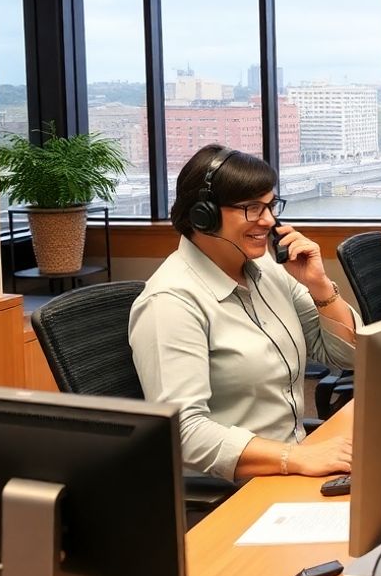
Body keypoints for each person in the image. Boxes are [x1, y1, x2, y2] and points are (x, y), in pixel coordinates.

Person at [130, 145, 359, 481]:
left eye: (270, 205)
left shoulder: (268, 268)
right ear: (202, 215)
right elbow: (184, 432)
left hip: (292, 462)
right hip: (237, 485)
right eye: (252, 208)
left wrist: (320, 287)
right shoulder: (170, 302)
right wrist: (294, 457)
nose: (268, 221)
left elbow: (346, 357)